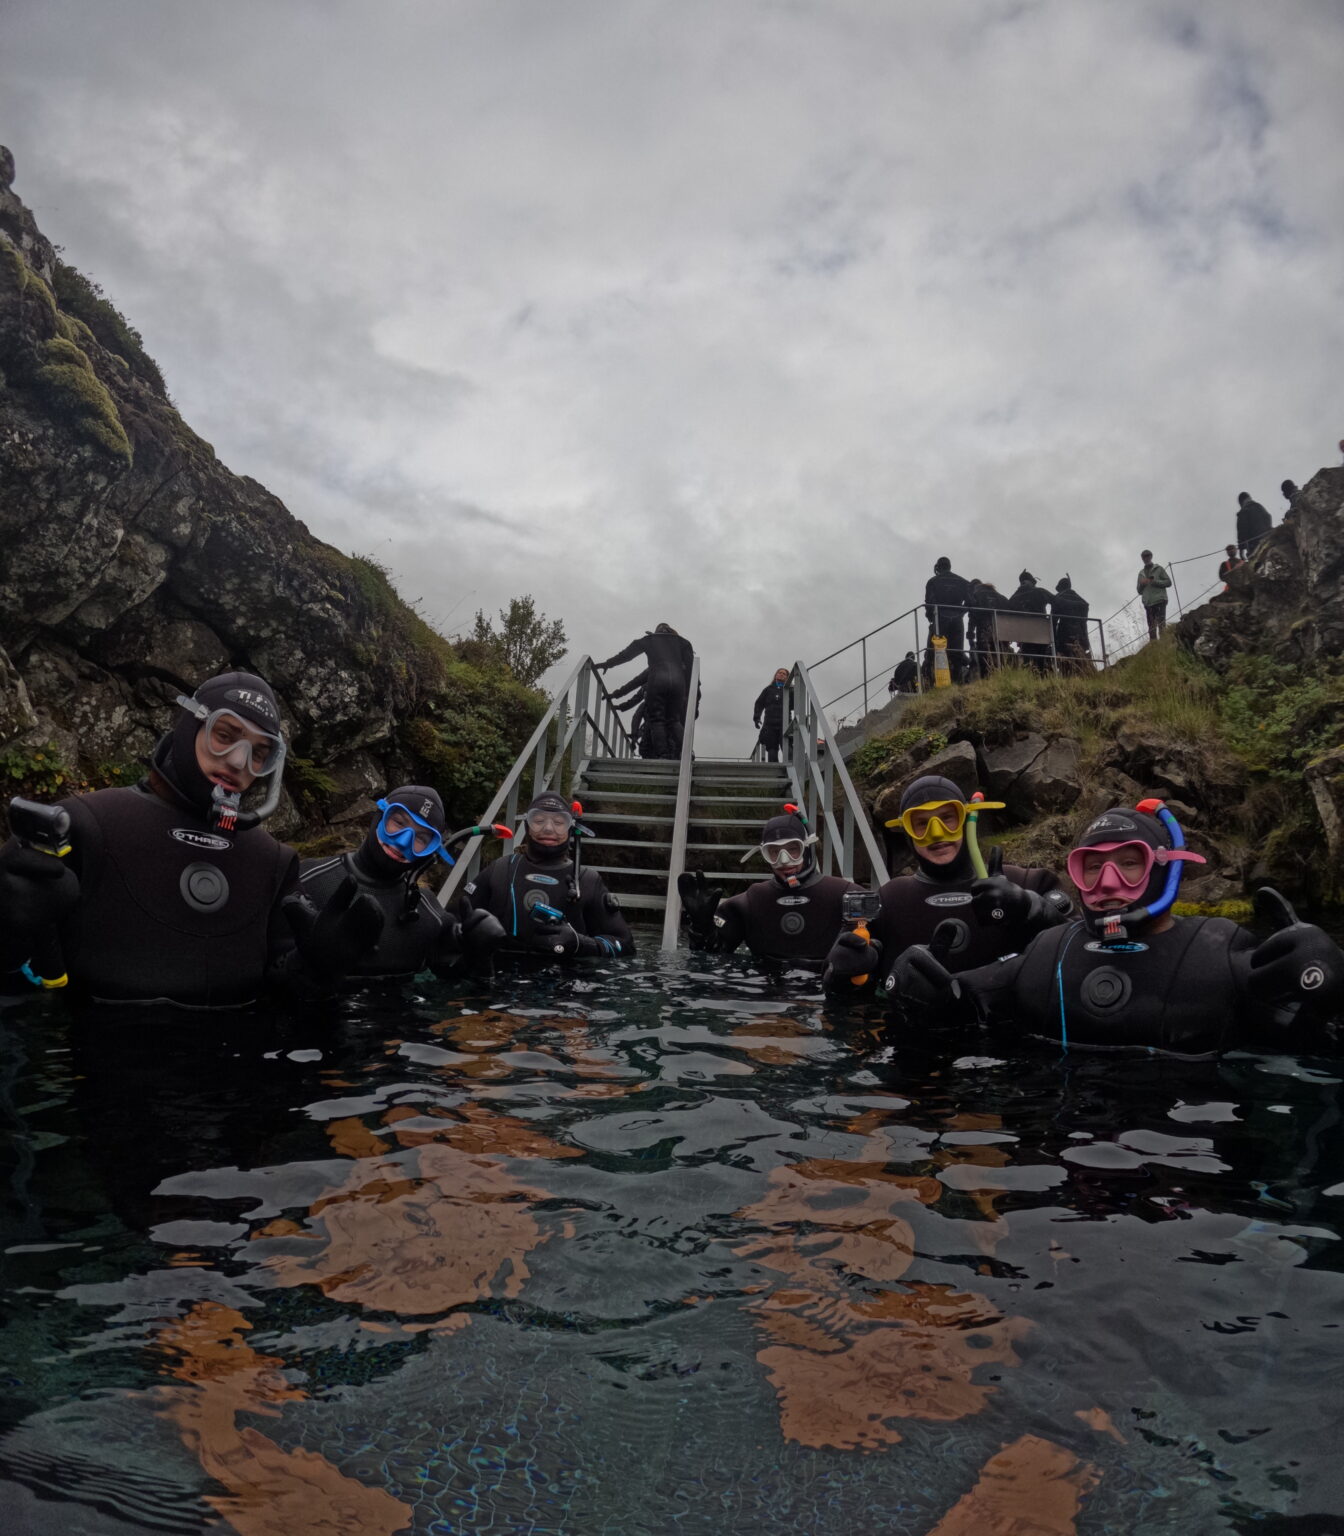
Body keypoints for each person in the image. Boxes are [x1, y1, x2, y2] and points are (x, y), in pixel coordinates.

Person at [0, 671, 380, 1008]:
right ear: (189, 728)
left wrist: (317, 972)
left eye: (259, 753)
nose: (237, 761)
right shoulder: (86, 823)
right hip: (87, 1072)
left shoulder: (275, 862)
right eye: (224, 735)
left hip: (235, 1081)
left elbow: (284, 994)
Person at [896, 801, 1344, 1056]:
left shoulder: (1221, 951)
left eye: (1130, 864)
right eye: (1092, 868)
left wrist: (1328, 988)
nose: (1109, 883)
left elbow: (1314, 1035)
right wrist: (918, 991)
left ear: (1166, 871)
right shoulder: (1047, 953)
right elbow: (956, 1005)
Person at [824, 774, 1070, 996]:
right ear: (907, 832)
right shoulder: (887, 900)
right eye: (921, 824)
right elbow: (842, 990)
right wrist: (842, 973)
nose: (937, 833)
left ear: (966, 820)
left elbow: (1081, 948)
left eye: (947, 818)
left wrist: (1032, 908)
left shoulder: (1030, 882)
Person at [296, 786, 504, 983]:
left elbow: (463, 989)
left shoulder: (428, 913)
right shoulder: (309, 879)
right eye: (399, 823)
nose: (403, 841)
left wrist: (480, 957)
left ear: (430, 851)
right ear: (379, 817)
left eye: (421, 838)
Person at [461, 791, 634, 961]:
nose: (549, 828)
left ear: (571, 828)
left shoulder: (587, 881)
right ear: (527, 826)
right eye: (538, 821)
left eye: (559, 822)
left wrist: (582, 944)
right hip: (498, 980)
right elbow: (453, 924)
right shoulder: (501, 870)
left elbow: (625, 945)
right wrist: (471, 935)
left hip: (565, 984)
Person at [678, 807, 859, 965]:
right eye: (774, 852)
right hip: (766, 995)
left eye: (793, 849)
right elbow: (711, 956)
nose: (785, 861)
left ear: (807, 848)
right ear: (764, 854)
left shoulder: (847, 894)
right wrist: (702, 927)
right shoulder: (749, 903)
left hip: (828, 990)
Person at [598, 624, 694, 759]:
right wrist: (687, 693)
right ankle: (688, 752)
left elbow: (627, 656)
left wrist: (608, 664)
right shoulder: (684, 643)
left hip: (657, 681)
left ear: (656, 631)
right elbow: (691, 671)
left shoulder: (650, 640)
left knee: (657, 719)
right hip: (679, 684)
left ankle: (663, 754)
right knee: (674, 720)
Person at [923, 557, 971, 685]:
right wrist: (960, 612)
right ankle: (956, 682)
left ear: (938, 567)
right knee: (957, 653)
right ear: (950, 566)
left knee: (938, 652)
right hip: (957, 620)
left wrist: (931, 617)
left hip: (940, 620)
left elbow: (929, 604)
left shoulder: (932, 582)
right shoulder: (963, 582)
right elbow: (971, 601)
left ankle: (940, 683)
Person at [1007, 570, 1051, 670]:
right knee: (1041, 660)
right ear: (1032, 581)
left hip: (1024, 633)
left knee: (1027, 659)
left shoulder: (1015, 596)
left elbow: (1007, 610)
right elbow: (1057, 602)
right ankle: (1042, 677)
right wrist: (1051, 621)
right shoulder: (1040, 591)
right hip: (1042, 631)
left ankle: (1028, 677)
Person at [1049, 576, 1091, 672]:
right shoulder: (1082, 602)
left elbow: (1053, 621)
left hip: (1064, 634)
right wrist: (1085, 641)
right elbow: (1084, 621)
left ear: (1060, 588)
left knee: (1066, 665)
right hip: (1081, 635)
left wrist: (1054, 642)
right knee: (1080, 664)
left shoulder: (1058, 599)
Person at [965, 579, 1001, 678]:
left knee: (984, 659)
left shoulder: (975, 596)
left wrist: (970, 635)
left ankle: (986, 681)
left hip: (984, 632)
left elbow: (972, 616)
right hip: (1001, 631)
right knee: (1000, 657)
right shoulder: (997, 595)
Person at [753, 668, 790, 762]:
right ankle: (776, 775)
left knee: (787, 747)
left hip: (785, 724)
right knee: (772, 748)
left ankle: (790, 771)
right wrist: (757, 718)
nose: (781, 674)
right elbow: (759, 703)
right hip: (770, 724)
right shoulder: (768, 690)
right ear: (776, 675)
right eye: (779, 673)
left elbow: (797, 704)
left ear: (787, 677)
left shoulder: (790, 690)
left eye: (784, 674)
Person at [1136, 551, 1171, 640]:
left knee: (1161, 624)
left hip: (1159, 600)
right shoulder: (1141, 573)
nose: (1146, 558)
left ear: (1151, 556)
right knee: (1151, 627)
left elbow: (1168, 582)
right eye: (1144, 557)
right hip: (1148, 603)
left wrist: (1155, 582)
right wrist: (1142, 584)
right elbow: (1139, 591)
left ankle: (1164, 643)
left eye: (1147, 556)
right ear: (1142, 559)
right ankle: (1153, 646)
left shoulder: (1159, 569)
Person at [1236, 492, 1272, 560]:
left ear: (1241, 502)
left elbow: (1242, 530)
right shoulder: (1260, 507)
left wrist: (1241, 550)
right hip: (1269, 542)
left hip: (1255, 547)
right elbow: (1268, 517)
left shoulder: (1244, 511)